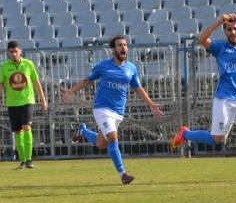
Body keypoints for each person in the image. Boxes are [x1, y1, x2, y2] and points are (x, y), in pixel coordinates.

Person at [170, 13, 236, 188]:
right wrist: (219, 21)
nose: (233, 32)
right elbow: (202, 38)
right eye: (229, 29)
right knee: (216, 139)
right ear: (225, 32)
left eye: (235, 29)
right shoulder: (220, 48)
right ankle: (185, 134)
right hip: (224, 101)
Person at [62, 35, 163, 185]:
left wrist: (151, 104)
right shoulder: (103, 66)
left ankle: (82, 131)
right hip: (102, 109)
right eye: (120, 45)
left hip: (118, 112)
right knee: (113, 138)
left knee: (101, 144)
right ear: (113, 49)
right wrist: (71, 91)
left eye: (125, 45)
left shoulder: (131, 68)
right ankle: (123, 174)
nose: (123, 48)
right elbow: (87, 80)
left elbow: (138, 88)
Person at [0, 40, 48, 169]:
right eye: (11, 52)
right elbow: (1, 83)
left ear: (20, 51)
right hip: (12, 103)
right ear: (8, 52)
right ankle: (22, 159)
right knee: (17, 131)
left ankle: (29, 159)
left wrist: (43, 99)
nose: (13, 54)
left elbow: (36, 82)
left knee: (27, 126)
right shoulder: (5, 66)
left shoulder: (28, 64)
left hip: (27, 100)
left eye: (15, 51)